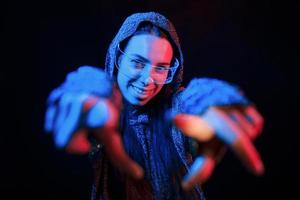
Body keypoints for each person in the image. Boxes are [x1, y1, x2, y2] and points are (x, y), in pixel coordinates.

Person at [44, 12, 264, 200]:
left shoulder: (174, 112)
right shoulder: (101, 112)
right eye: (138, 63)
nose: (148, 79)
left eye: (161, 68)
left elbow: (190, 101)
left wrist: (212, 101)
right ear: (118, 58)